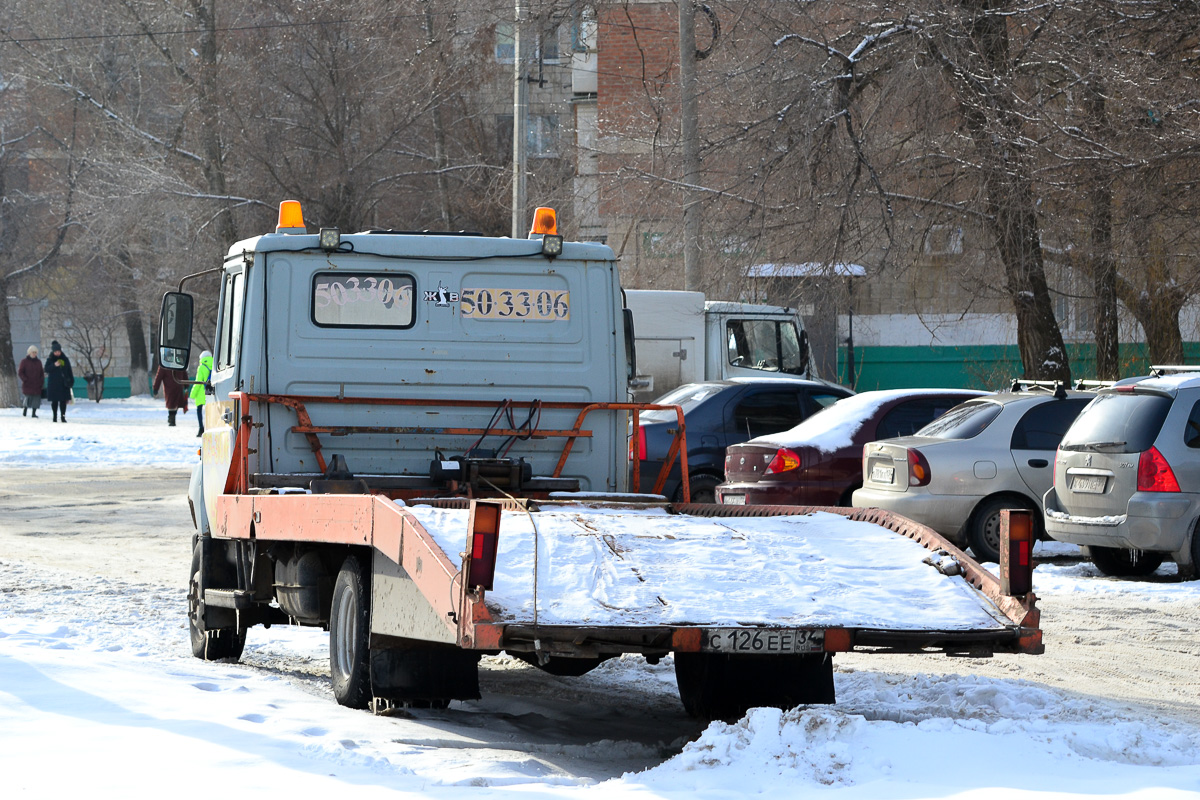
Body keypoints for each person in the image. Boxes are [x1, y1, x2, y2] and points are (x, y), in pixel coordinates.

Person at [43, 341, 74, 423]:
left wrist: (71, 380)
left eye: (59, 351)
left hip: (64, 383)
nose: (57, 353)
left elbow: (69, 370)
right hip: (54, 384)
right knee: (55, 401)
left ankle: (63, 416)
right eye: (56, 352)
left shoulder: (65, 359)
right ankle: (54, 416)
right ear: (53, 352)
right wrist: (54, 365)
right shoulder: (50, 359)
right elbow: (46, 369)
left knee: (63, 401)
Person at [152, 361, 188, 426]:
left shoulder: (164, 364)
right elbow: (184, 373)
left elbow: (159, 377)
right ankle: (172, 418)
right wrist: (186, 384)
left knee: (171, 403)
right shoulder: (179, 362)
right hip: (178, 385)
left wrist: (155, 388)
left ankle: (171, 418)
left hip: (169, 387)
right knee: (175, 403)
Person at [190, 350, 213, 437]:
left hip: (201, 393)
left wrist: (192, 394)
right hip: (210, 392)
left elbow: (198, 382)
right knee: (210, 411)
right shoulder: (214, 365)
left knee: (199, 411)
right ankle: (209, 427)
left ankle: (201, 428)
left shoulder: (202, 367)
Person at [18, 345, 44, 418]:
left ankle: (34, 413)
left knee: (36, 398)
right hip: (28, 383)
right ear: (29, 353)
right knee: (28, 397)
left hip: (37, 384)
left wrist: (41, 381)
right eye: (33, 352)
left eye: (36, 352)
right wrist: (25, 379)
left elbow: (41, 373)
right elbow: (20, 372)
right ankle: (25, 411)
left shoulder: (38, 362)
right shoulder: (24, 361)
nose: (34, 354)